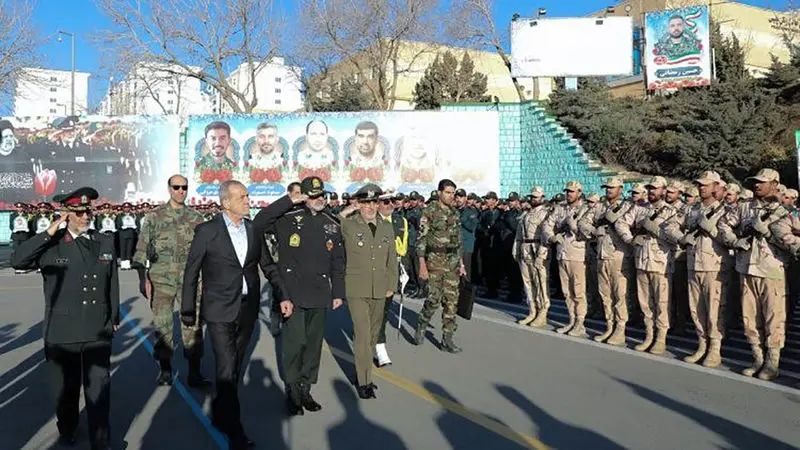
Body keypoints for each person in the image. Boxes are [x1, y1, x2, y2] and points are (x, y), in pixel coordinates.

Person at [180, 180, 296, 449]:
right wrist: (188, 310)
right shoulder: (207, 231)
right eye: (242, 197)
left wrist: (283, 295)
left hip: (247, 309)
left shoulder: (253, 229)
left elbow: (268, 266)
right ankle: (235, 430)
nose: (247, 200)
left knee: (235, 367)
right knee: (227, 366)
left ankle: (220, 413)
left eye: (247, 196)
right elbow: (191, 271)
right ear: (226, 203)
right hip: (219, 310)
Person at [11, 187, 119, 450]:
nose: (85, 216)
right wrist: (49, 232)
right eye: (79, 212)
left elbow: (112, 282)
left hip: (97, 328)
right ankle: (67, 427)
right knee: (65, 390)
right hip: (62, 331)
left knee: (99, 387)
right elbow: (18, 260)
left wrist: (113, 316)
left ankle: (100, 439)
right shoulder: (52, 244)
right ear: (66, 214)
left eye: (87, 211)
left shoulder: (104, 241)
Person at [261, 176, 346, 415]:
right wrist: (289, 200)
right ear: (305, 196)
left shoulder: (332, 223)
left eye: (322, 195)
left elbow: (338, 261)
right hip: (293, 293)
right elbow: (261, 221)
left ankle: (306, 388)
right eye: (314, 195)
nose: (320, 199)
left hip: (320, 293)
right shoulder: (288, 218)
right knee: (294, 343)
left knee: (313, 345)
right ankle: (292, 390)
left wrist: (338, 292)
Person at [718, 169, 797, 381]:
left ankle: (772, 362)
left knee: (773, 317)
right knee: (750, 317)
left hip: (772, 270)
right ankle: (758, 358)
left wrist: (770, 234)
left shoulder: (786, 212)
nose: (757, 185)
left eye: (762, 182)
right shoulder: (744, 207)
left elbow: (796, 244)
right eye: (755, 182)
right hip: (746, 268)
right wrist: (734, 241)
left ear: (775, 184)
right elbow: (723, 224)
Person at [134, 174, 211, 388]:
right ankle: (165, 370)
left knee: (192, 326)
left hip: (189, 282)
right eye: (176, 187)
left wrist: (205, 280)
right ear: (169, 189)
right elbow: (141, 250)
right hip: (161, 281)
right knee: (163, 325)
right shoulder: (154, 217)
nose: (180, 191)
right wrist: (142, 279)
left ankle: (194, 373)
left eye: (184, 187)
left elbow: (206, 252)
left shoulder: (197, 218)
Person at [664, 171, 729, 367]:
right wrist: (682, 238)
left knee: (715, 309)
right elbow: (669, 225)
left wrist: (713, 230)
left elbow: (731, 239)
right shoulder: (691, 209)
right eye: (700, 184)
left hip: (714, 266)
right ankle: (702, 344)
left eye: (706, 184)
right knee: (696, 308)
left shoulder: (725, 210)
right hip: (693, 264)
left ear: (716, 186)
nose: (702, 187)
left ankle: (715, 348)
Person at [339, 184, 398, 398]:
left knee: (373, 334)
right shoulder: (349, 224)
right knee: (363, 334)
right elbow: (332, 224)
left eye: (374, 202)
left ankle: (361, 371)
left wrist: (392, 285)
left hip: (380, 287)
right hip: (356, 288)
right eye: (365, 203)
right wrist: (348, 209)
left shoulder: (386, 227)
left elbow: (392, 258)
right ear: (359, 204)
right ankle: (364, 381)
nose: (371, 207)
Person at [615, 176, 681, 355]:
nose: (652, 191)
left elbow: (677, 237)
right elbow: (620, 222)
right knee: (645, 303)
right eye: (650, 188)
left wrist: (657, 231)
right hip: (642, 260)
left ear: (664, 190)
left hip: (661, 263)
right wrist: (629, 239)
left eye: (656, 188)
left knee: (662, 303)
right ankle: (649, 335)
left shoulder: (672, 211)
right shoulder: (640, 208)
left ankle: (661, 338)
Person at [578, 178, 634, 345]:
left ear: (620, 189)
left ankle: (620, 328)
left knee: (620, 295)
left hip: (619, 255)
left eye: (612, 187)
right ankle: (610, 326)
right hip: (602, 254)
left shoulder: (627, 206)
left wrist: (618, 227)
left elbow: (632, 225)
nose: (608, 190)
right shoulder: (599, 206)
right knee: (606, 294)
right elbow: (583, 222)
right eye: (607, 187)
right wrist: (595, 231)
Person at [414, 179, 467, 352]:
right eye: (448, 192)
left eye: (453, 193)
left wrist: (461, 264)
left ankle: (447, 339)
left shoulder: (455, 213)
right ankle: (422, 323)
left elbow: (458, 241)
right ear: (439, 193)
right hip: (435, 261)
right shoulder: (429, 211)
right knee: (433, 300)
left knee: (451, 301)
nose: (452, 196)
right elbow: (421, 240)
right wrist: (422, 265)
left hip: (452, 262)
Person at [542, 181, 591, 337]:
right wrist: (552, 237)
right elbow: (547, 224)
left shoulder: (586, 209)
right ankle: (571, 320)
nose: (569, 194)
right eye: (567, 191)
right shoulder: (560, 208)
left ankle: (580, 323)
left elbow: (589, 233)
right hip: (562, 253)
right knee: (567, 291)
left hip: (578, 254)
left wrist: (575, 227)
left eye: (572, 191)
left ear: (579, 193)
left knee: (578, 291)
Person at [514, 187, 551, 328]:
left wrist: (542, 253)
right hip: (525, 248)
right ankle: (532, 310)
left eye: (536, 197)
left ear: (542, 197)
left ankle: (543, 311)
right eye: (532, 197)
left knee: (540, 282)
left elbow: (546, 235)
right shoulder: (527, 213)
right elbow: (519, 233)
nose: (533, 199)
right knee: (528, 282)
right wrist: (516, 248)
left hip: (537, 248)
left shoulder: (546, 213)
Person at [115, 202, 138, 270]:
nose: (126, 209)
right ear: (123, 208)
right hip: (123, 233)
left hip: (131, 233)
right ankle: (123, 264)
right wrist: (121, 227)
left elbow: (136, 223)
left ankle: (127, 264)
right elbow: (118, 224)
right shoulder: (120, 215)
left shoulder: (133, 215)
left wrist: (135, 228)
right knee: (123, 248)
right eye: (125, 207)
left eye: (128, 207)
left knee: (129, 249)